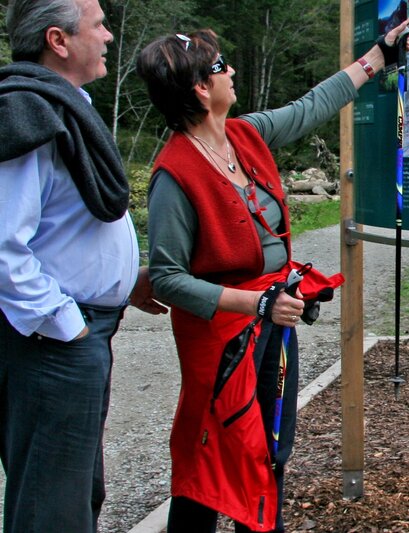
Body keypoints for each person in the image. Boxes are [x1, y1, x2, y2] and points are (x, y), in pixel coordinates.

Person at [136, 18, 409, 532]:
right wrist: (256, 304)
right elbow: (166, 278)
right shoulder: (173, 175)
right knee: (214, 445)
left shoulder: (243, 135)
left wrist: (379, 55)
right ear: (202, 89)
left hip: (273, 318)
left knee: (272, 441)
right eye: (221, 66)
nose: (232, 71)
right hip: (223, 335)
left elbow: (311, 106)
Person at [0, 0, 166, 531]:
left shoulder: (62, 105)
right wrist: (64, 324)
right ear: (58, 40)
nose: (110, 36)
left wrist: (121, 283)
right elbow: (3, 244)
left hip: (75, 335)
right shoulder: (28, 114)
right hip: (52, 345)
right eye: (97, 25)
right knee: (53, 507)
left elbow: (63, 227)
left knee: (73, 493)